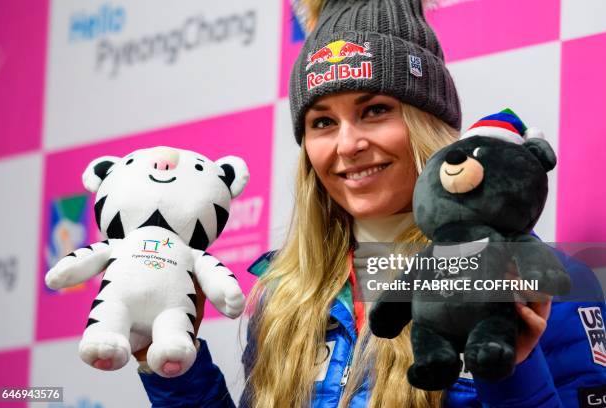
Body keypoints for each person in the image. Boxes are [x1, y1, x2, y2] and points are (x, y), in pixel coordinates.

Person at [136, 0, 606, 406]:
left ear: (430, 124)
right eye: (322, 122)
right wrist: (175, 368)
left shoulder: (536, 278)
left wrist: (514, 370)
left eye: (375, 111)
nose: (348, 144)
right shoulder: (284, 294)